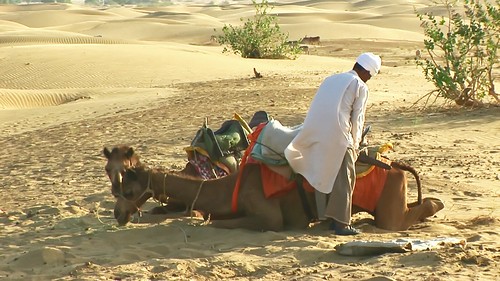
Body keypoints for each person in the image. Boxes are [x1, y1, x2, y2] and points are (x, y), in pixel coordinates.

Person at [284, 52, 381, 235]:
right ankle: (342, 224)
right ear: (366, 71)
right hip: (339, 135)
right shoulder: (360, 85)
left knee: (324, 173)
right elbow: (357, 118)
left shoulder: (331, 79)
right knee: (345, 177)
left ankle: (325, 217)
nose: (369, 79)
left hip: (315, 132)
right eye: (370, 75)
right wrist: (356, 143)